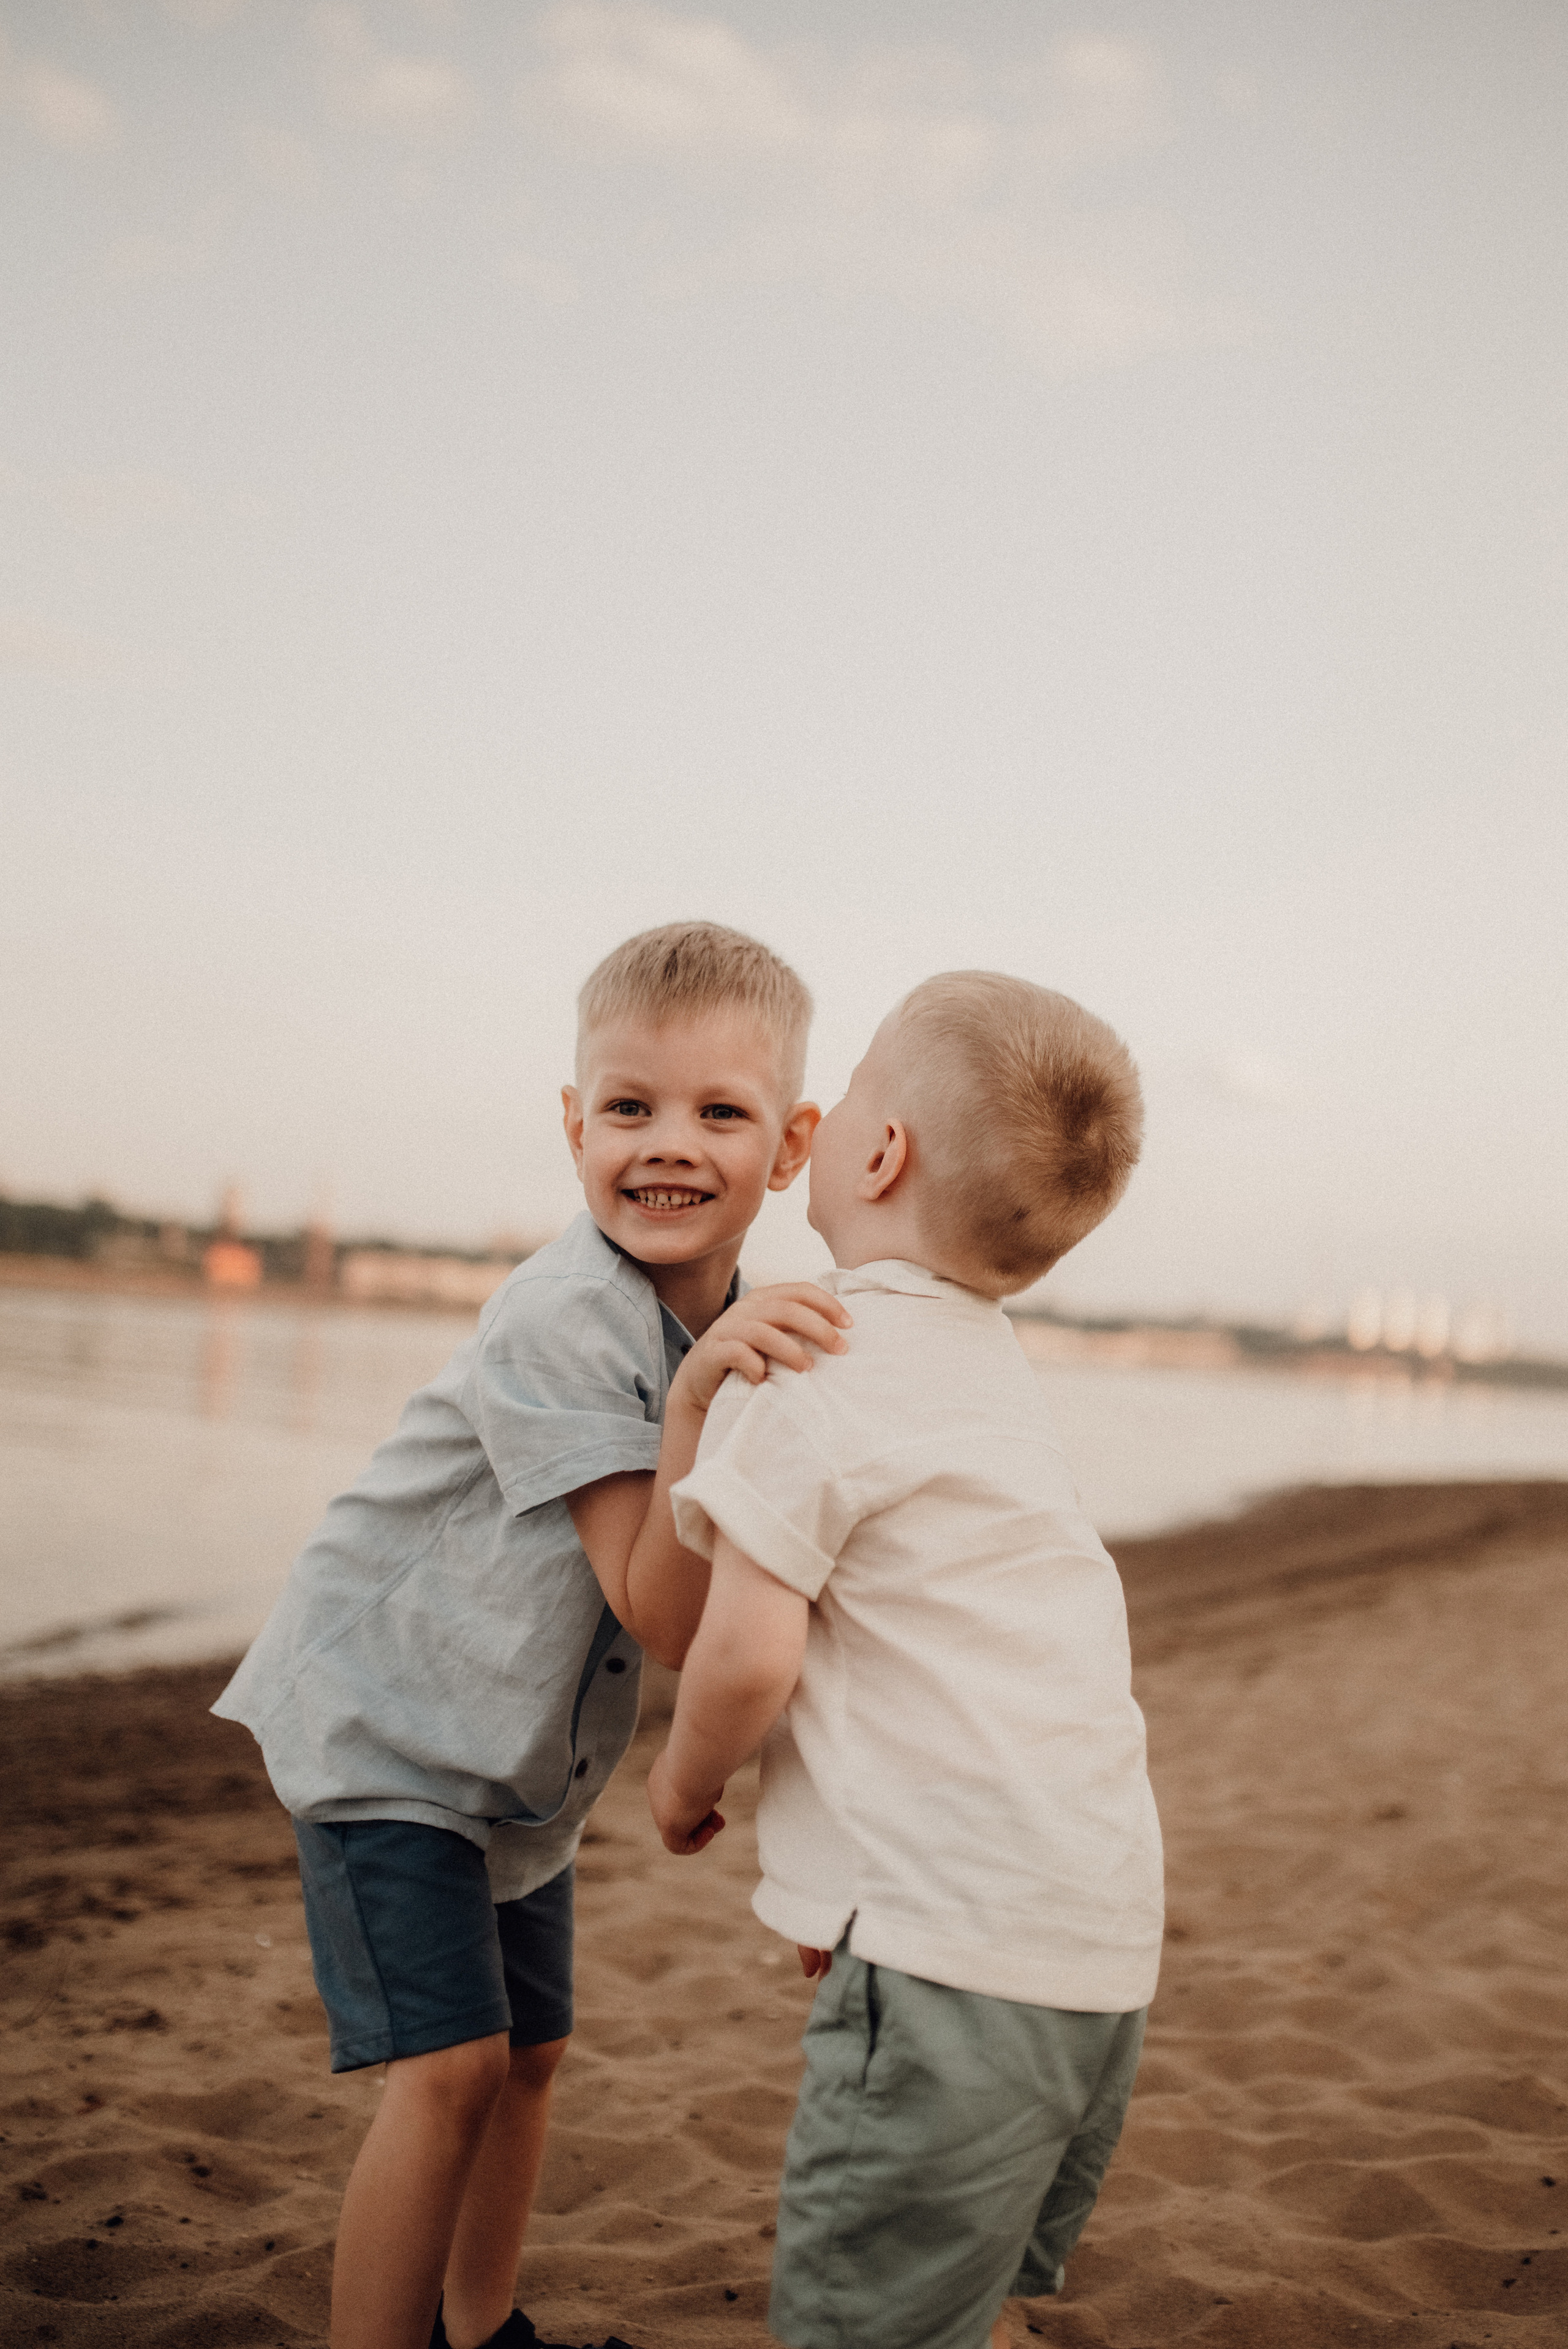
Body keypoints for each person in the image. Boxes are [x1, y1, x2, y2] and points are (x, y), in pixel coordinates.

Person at [213, 921, 852, 2349]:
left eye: (718, 1112)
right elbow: (658, 1605)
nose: (666, 1145)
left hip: (515, 1767)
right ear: (573, 1128)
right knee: (448, 2070)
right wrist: (699, 1417)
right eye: (628, 1108)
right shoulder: (566, 1318)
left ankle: (480, 2326)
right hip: (391, 1729)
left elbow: (708, 1598)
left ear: (793, 1144)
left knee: (535, 2054)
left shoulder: (729, 1322)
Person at [647, 970, 1163, 2349]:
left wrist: (683, 1785)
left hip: (954, 1964)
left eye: (857, 1079)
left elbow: (746, 1656)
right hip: (1097, 1954)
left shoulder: (816, 1359)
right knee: (968, 2287)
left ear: (876, 1153)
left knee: (865, 2318)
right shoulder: (991, 1380)